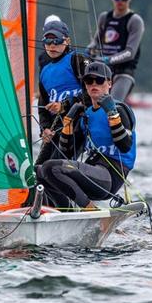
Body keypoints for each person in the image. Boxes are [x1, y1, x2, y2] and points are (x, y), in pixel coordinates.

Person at [37, 62, 136, 210]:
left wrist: (112, 114)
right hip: (92, 171)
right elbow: (67, 153)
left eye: (99, 80)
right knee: (40, 171)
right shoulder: (86, 114)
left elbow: (125, 146)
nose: (94, 84)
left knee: (53, 167)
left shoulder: (120, 109)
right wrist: (68, 125)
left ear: (109, 83)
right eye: (89, 81)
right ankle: (66, 213)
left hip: (110, 176)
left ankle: (91, 210)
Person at [35, 17, 89, 165]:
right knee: (38, 170)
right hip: (56, 130)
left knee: (52, 168)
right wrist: (44, 129)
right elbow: (43, 106)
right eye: (47, 41)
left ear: (67, 41)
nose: (52, 45)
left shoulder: (77, 60)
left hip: (77, 126)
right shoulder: (44, 71)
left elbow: (93, 92)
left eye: (57, 41)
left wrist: (64, 105)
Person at [87, 0, 145, 101]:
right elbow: (96, 41)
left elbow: (130, 52)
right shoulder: (104, 17)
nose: (120, 1)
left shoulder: (135, 21)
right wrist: (90, 48)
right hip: (104, 71)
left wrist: (108, 59)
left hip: (124, 72)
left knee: (112, 104)